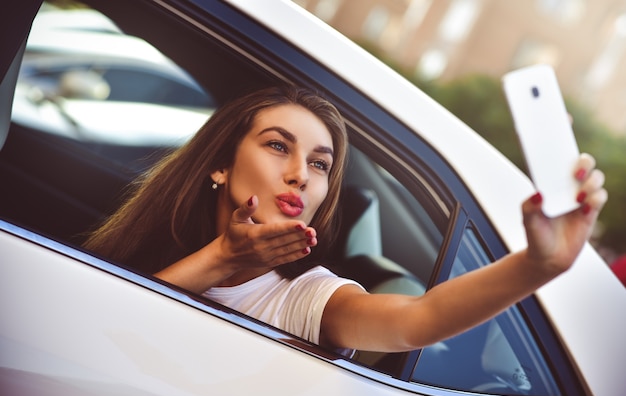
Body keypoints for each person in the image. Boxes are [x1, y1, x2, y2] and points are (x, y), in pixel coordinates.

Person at [84, 85, 608, 354]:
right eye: (276, 146)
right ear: (220, 163)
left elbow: (416, 322)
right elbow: (79, 329)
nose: (300, 175)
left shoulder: (307, 298)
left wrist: (541, 265)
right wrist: (220, 258)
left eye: (319, 164)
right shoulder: (144, 242)